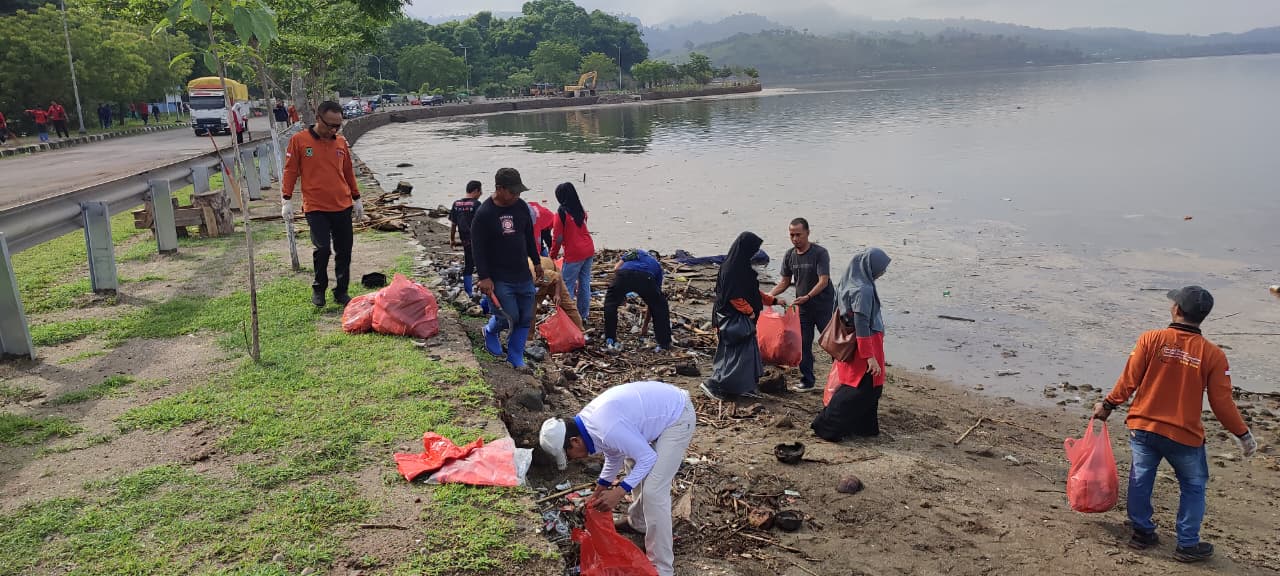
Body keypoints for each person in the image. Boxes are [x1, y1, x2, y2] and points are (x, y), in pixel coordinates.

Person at [1091, 286, 1257, 563]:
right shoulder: (1213, 355)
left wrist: (1107, 406)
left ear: (1176, 309)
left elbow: (1128, 381)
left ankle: (1141, 532)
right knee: (1193, 485)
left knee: (1141, 478)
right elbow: (1221, 403)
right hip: (1184, 435)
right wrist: (1243, 434)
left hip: (1143, 428)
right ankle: (1187, 545)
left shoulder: (1151, 339)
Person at [539, 380, 696, 576]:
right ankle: (639, 523)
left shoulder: (606, 427)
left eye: (569, 455)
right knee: (631, 461)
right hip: (660, 410)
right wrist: (599, 491)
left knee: (654, 492)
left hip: (677, 416)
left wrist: (619, 492)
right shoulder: (589, 425)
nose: (572, 459)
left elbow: (648, 458)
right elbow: (614, 455)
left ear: (575, 441)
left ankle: (662, 567)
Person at [280, 100, 366, 307]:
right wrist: (286, 199)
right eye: (330, 125)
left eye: (338, 125)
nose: (334, 129)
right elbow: (290, 170)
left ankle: (341, 291)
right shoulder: (299, 141)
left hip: (342, 204)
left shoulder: (340, 143)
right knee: (323, 249)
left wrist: (357, 198)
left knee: (344, 251)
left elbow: (347, 172)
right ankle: (319, 288)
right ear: (318, 119)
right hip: (316, 206)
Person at [811, 248, 891, 440]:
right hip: (865, 343)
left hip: (851, 342)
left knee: (860, 386)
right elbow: (862, 323)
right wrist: (869, 357)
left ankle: (864, 428)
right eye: (882, 268)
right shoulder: (864, 290)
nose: (883, 272)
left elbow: (836, 310)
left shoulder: (847, 283)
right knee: (863, 388)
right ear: (871, 267)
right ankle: (826, 426)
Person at [473, 167, 544, 372]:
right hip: (499, 276)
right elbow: (478, 248)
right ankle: (490, 330)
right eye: (513, 192)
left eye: (519, 192)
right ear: (499, 188)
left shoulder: (520, 207)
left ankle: (515, 356)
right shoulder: (484, 214)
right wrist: (484, 277)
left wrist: (536, 261)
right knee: (508, 316)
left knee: (525, 317)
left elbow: (528, 236)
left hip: (522, 272)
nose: (516, 195)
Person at [700, 232, 775, 400]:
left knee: (746, 355)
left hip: (740, 320)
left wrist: (772, 300)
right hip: (732, 320)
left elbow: (751, 291)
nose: (754, 253)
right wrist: (750, 312)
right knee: (735, 356)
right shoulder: (732, 269)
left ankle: (742, 387)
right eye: (753, 249)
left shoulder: (741, 267)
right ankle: (714, 385)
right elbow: (734, 296)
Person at [767, 218, 835, 392]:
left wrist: (808, 296)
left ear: (807, 233)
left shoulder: (820, 253)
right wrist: (768, 296)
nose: (795, 239)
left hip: (823, 306)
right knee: (803, 344)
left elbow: (823, 281)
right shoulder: (790, 255)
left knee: (831, 343)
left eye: (798, 234)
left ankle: (841, 380)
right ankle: (807, 381)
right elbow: (785, 282)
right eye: (792, 235)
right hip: (803, 308)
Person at [603, 249, 671, 353]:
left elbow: (616, 268)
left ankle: (610, 338)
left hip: (624, 274)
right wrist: (645, 326)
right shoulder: (657, 266)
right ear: (657, 259)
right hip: (646, 278)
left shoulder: (637, 252)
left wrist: (620, 294)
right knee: (660, 306)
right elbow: (653, 303)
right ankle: (664, 343)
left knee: (610, 304)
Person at [550, 182, 595, 325]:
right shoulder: (580, 209)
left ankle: (568, 317)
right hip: (588, 249)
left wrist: (552, 255)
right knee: (584, 283)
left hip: (574, 253)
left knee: (566, 286)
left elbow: (558, 238)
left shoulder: (561, 213)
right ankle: (583, 315)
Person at [530, 255, 584, 331]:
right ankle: (529, 336)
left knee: (567, 305)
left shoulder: (539, 275)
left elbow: (557, 277)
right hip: (536, 285)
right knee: (530, 312)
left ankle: (580, 331)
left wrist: (557, 294)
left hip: (552, 279)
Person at [449, 180, 483, 297]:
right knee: (482, 265)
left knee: (469, 265)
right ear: (476, 190)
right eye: (480, 191)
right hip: (477, 240)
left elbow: (453, 224)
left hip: (465, 240)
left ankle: (469, 292)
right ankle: (485, 292)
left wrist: (452, 239)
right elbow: (482, 224)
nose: (481, 194)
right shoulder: (477, 204)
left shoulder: (456, 204)